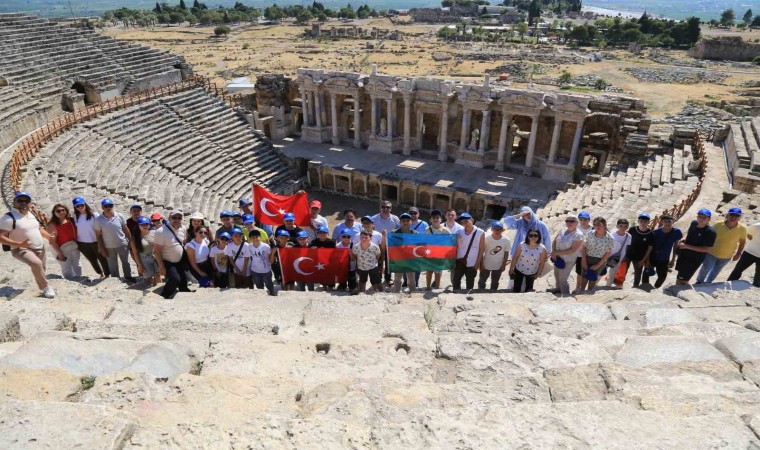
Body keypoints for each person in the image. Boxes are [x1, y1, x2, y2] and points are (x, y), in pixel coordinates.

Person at [0, 192, 55, 298]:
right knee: (37, 264)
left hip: (39, 247)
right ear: (14, 202)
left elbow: (37, 228)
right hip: (20, 249)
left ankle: (42, 287)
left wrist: (48, 236)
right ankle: (46, 286)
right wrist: (19, 244)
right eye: (20, 201)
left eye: (26, 201)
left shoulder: (31, 214)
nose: (23, 203)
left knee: (41, 268)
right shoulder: (8, 218)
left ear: (30, 203)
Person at [696, 207, 746, 284]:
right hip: (711, 252)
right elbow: (708, 235)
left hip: (727, 256)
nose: (733, 217)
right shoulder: (717, 224)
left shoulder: (742, 228)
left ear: (739, 217)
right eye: (731, 215)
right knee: (705, 268)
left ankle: (708, 283)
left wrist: (738, 254)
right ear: (727, 215)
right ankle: (699, 282)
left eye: (736, 216)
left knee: (716, 271)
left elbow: (742, 241)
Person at [94, 199, 135, 282]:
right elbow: (98, 235)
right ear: (102, 207)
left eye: (110, 206)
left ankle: (128, 276)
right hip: (109, 246)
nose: (108, 208)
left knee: (126, 262)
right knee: (112, 265)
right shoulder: (98, 220)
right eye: (106, 206)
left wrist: (130, 241)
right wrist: (101, 247)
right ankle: (115, 280)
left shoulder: (119, 216)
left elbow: (125, 229)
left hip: (122, 244)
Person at [675, 209, 717, 285]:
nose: (701, 219)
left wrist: (686, 246)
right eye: (700, 217)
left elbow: (706, 249)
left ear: (709, 219)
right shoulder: (694, 223)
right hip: (684, 254)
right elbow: (689, 233)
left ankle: (677, 292)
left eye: (704, 218)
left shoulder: (710, 232)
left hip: (694, 259)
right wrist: (684, 238)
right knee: (680, 275)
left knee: (683, 279)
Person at [154, 210, 190, 298]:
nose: (177, 220)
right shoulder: (161, 231)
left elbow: (183, 241)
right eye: (174, 218)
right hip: (168, 261)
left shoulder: (183, 228)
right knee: (175, 279)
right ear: (169, 219)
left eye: (179, 218)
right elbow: (157, 251)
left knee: (183, 280)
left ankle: (184, 292)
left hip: (179, 260)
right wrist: (161, 266)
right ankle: (164, 295)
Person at [72, 197, 109, 278]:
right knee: (92, 260)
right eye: (77, 206)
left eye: (82, 205)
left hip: (95, 241)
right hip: (82, 243)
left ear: (85, 204)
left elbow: (101, 227)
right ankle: (100, 273)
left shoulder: (94, 215)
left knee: (102, 259)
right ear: (75, 207)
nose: (80, 207)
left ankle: (107, 274)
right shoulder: (75, 216)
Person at [551, 214, 585, 295]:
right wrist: (554, 252)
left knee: (563, 278)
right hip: (558, 257)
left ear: (577, 223)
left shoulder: (578, 235)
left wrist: (556, 253)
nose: (569, 223)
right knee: (556, 274)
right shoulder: (562, 230)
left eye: (572, 221)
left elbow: (573, 250)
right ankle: (558, 289)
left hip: (568, 259)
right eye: (567, 221)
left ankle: (565, 293)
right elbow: (555, 241)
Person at [47, 203, 82, 280]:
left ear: (66, 211)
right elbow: (52, 241)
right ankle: (69, 281)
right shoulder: (52, 225)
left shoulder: (71, 220)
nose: (61, 212)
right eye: (58, 211)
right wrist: (59, 253)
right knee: (66, 266)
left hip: (74, 246)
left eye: (63, 210)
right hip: (61, 248)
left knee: (77, 264)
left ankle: (79, 279)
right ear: (54, 213)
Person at [579, 217, 614, 292]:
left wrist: (598, 265)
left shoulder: (610, 238)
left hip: (600, 260)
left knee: (593, 277)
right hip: (587, 257)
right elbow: (584, 246)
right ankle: (581, 291)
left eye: (599, 225)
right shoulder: (590, 233)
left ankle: (589, 292)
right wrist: (584, 260)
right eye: (595, 225)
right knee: (584, 276)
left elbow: (608, 253)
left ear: (604, 225)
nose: (596, 227)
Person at [453, 213, 485, 292]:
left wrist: (478, 262)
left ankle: (467, 295)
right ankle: (456, 294)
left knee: (470, 281)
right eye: (463, 222)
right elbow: (454, 246)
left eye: (466, 221)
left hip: (472, 262)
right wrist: (456, 239)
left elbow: (482, 249)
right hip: (460, 260)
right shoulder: (459, 232)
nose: (464, 224)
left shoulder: (480, 232)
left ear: (472, 220)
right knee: (456, 280)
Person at [509, 228, 547, 293]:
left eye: (535, 235)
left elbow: (542, 262)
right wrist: (511, 269)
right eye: (531, 235)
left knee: (528, 291)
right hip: (519, 270)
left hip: (532, 272)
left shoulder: (542, 248)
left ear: (539, 237)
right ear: (528, 236)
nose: (533, 237)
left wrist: (538, 273)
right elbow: (515, 257)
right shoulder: (522, 245)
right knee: (516, 289)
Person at [649, 215, 682, 288]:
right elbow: (650, 246)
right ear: (662, 222)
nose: (667, 223)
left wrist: (673, 260)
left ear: (672, 221)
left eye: (669, 221)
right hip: (653, 256)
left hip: (664, 258)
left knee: (663, 275)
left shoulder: (677, 232)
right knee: (647, 273)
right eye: (665, 221)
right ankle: (645, 286)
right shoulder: (656, 232)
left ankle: (656, 287)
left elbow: (675, 246)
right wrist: (647, 259)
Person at [373, 201, 400, 286]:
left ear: (391, 209)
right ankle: (378, 278)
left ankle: (388, 279)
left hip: (390, 244)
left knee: (389, 262)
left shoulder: (395, 219)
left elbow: (399, 230)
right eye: (383, 207)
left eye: (387, 207)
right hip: (377, 244)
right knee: (378, 261)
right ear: (380, 208)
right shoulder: (374, 218)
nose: (385, 209)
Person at [390, 213, 419, 293]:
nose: (405, 222)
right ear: (400, 222)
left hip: (410, 259)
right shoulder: (394, 233)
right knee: (397, 277)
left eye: (407, 220)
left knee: (411, 277)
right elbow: (391, 246)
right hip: (398, 259)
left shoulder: (415, 233)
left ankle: (413, 293)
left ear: (411, 222)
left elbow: (418, 247)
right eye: (403, 221)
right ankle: (397, 292)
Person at [478, 221, 510, 291]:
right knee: (482, 280)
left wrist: (503, 265)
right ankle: (480, 291)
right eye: (495, 228)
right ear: (492, 229)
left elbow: (506, 253)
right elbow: (482, 251)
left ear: (503, 230)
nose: (497, 231)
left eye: (499, 229)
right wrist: (481, 264)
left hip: (498, 265)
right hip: (486, 264)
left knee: (495, 282)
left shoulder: (506, 240)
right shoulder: (487, 239)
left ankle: (493, 292)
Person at [728, 219, 760, 287]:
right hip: (750, 252)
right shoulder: (757, 226)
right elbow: (749, 235)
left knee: (758, 277)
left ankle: (755, 288)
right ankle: (728, 284)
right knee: (737, 270)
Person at [627, 213, 655, 287]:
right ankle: (619, 285)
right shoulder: (632, 229)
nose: (643, 223)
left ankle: (635, 287)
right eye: (641, 221)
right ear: (638, 221)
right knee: (623, 270)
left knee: (638, 273)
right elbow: (627, 241)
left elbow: (650, 248)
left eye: (645, 221)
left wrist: (644, 260)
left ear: (648, 222)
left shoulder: (651, 234)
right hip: (628, 255)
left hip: (639, 257)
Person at [425, 210, 451, 290]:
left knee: (438, 272)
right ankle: (428, 287)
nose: (435, 219)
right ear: (430, 219)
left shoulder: (445, 230)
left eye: (437, 218)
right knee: (429, 271)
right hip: (429, 254)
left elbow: (449, 243)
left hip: (440, 255)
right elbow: (424, 242)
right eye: (433, 218)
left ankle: (437, 287)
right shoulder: (427, 230)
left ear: (440, 219)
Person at [131, 217, 159, 286]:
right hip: (144, 259)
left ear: (149, 225)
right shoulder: (135, 238)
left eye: (146, 224)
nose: (145, 226)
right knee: (148, 278)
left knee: (158, 276)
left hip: (155, 257)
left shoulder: (154, 233)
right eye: (142, 225)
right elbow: (135, 253)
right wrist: (140, 265)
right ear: (138, 226)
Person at [605, 218, 631, 288]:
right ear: (617, 226)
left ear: (627, 227)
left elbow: (627, 247)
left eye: (625, 226)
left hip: (618, 258)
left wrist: (624, 258)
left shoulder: (628, 236)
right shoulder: (612, 235)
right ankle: (595, 286)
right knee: (601, 272)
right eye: (621, 226)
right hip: (608, 256)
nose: (623, 228)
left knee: (612, 274)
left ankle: (607, 287)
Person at [249, 230, 276, 296]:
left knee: (269, 285)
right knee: (259, 287)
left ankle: (272, 295)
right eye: (253, 237)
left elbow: (270, 258)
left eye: (256, 237)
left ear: (260, 237)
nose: (255, 239)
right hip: (255, 270)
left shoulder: (266, 246)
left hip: (266, 270)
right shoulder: (249, 246)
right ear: (250, 239)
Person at [574, 211, 593, 292]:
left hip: (589, 253)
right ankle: (578, 287)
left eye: (585, 219)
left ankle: (586, 289)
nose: (583, 221)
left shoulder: (592, 228)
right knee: (579, 272)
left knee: (587, 270)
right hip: (578, 253)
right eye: (581, 219)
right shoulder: (576, 227)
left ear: (589, 220)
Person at [336, 229, 358, 294]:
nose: (346, 238)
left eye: (348, 236)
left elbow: (354, 258)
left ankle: (352, 287)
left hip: (352, 264)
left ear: (351, 237)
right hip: (342, 265)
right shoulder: (338, 246)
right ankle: (342, 285)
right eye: (344, 236)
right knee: (342, 277)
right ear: (341, 237)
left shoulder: (354, 245)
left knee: (352, 278)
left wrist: (350, 253)